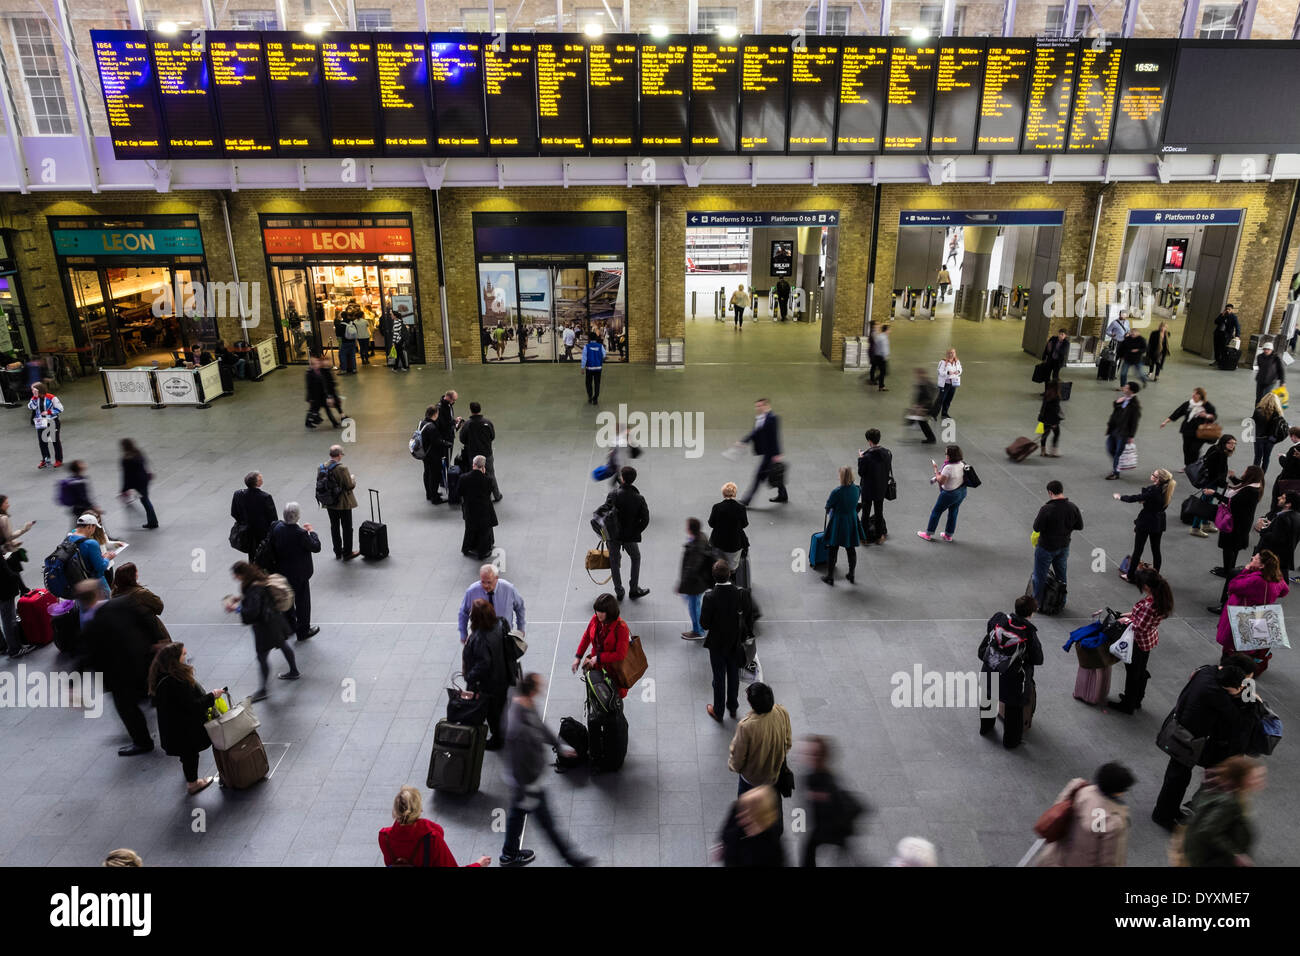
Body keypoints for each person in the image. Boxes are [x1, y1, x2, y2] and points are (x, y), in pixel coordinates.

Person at [500, 672, 592, 867]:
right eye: (539, 686)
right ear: (531, 690)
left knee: (517, 815)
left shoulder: (526, 705)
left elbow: (541, 728)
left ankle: (509, 854)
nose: (541, 689)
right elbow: (518, 760)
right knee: (547, 824)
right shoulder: (517, 726)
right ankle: (571, 858)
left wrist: (560, 746)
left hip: (524, 782)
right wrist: (528, 788)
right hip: (527, 782)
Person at [1151, 663, 1253, 830]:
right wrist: (1248, 700)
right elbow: (1236, 719)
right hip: (1186, 740)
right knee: (1177, 779)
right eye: (1239, 687)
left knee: (1176, 777)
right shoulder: (1216, 695)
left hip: (1179, 730)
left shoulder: (1208, 672)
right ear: (1227, 686)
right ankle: (1163, 816)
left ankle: (1169, 811)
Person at [84, 583, 159, 755]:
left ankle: (142, 742)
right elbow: (147, 620)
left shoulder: (91, 623)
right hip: (143, 663)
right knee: (152, 695)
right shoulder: (123, 602)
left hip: (118, 676)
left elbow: (88, 655)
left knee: (127, 709)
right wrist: (155, 643)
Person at [1033, 763, 1135, 867]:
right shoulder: (1114, 822)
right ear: (1119, 792)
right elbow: (1110, 859)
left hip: (1056, 858)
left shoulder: (1080, 789)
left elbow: (1057, 808)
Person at [148, 643, 217, 795]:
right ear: (175, 660)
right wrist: (212, 696)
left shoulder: (161, 676)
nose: (186, 657)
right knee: (191, 755)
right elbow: (192, 705)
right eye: (183, 654)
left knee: (186, 754)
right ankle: (193, 783)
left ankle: (189, 775)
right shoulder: (178, 681)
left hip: (172, 727)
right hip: (184, 729)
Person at [226, 561, 300, 702]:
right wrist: (242, 599)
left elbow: (253, 610)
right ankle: (294, 671)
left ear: (241, 574)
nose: (235, 578)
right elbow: (258, 599)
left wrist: (237, 608)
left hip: (265, 627)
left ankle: (263, 690)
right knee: (283, 645)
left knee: (262, 657)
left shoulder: (253, 588)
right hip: (276, 619)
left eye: (236, 575)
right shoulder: (259, 578)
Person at [977, 595, 1043, 750]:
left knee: (988, 698)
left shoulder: (999, 619)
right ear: (1031, 613)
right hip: (1013, 679)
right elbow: (1038, 658)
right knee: (1013, 710)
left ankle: (985, 728)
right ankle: (1011, 742)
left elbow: (989, 629)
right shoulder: (1029, 633)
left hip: (990, 669)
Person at [728, 682, 793, 834]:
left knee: (746, 812)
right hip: (774, 776)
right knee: (773, 809)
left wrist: (734, 766)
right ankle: (773, 832)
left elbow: (737, 759)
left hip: (751, 780)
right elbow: (788, 742)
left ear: (752, 704)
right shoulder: (782, 712)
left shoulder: (746, 727)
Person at [1182, 756, 1267, 867]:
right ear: (1243, 778)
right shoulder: (1229, 802)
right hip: (1212, 859)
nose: (1261, 781)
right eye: (1256, 777)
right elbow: (1207, 831)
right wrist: (1235, 854)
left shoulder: (1234, 793)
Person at [700, 559, 759, 720]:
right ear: (730, 574)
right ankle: (732, 707)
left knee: (718, 678)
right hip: (736, 643)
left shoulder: (709, 597)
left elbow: (704, 624)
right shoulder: (742, 593)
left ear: (714, 577)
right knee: (734, 675)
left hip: (717, 644)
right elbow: (749, 619)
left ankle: (718, 711)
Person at [1110, 567, 1174, 714]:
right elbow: (1139, 617)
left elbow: (1139, 627)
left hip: (1138, 642)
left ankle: (1128, 704)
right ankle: (1137, 699)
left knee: (1133, 673)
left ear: (1146, 586)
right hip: (1148, 641)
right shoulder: (1159, 597)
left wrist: (1123, 620)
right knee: (1140, 670)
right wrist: (1127, 615)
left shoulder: (1149, 605)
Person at [1215, 550, 1289, 675]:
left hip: (1242, 614)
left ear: (1262, 566)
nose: (1252, 558)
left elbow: (1233, 586)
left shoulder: (1256, 580)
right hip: (1261, 616)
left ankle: (1229, 668)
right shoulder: (1277, 577)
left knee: (1233, 642)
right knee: (1252, 644)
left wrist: (1246, 570)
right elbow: (1284, 591)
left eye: (1255, 558)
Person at [379, 786, 490, 867]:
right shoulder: (432, 838)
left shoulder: (384, 837)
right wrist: (479, 864)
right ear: (419, 809)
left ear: (396, 810)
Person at [798, 736, 863, 867]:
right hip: (826, 828)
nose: (807, 757)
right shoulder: (810, 777)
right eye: (806, 753)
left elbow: (837, 803)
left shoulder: (827, 782)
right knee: (810, 849)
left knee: (809, 850)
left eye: (812, 754)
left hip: (832, 828)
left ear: (822, 757)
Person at [1208, 465, 1265, 612]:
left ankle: (1228, 569)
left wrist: (1214, 493)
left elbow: (1232, 502)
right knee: (1233, 548)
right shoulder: (1254, 487)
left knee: (1229, 547)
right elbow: (1241, 485)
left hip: (1235, 525)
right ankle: (1228, 568)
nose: (1243, 473)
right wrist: (1233, 478)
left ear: (1250, 475)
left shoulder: (1249, 491)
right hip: (1240, 525)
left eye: (1246, 472)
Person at [463, 599, 515, 750]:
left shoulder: (479, 638)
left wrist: (469, 676)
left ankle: (497, 739)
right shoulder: (501, 623)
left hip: (489, 685)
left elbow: (483, 664)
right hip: (503, 676)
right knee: (501, 708)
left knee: (492, 714)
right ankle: (503, 731)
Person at [269, 502, 321, 641]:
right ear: (297, 517)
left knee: (287, 597)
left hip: (282, 571)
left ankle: (290, 626)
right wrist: (312, 532)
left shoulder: (277, 528)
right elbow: (316, 547)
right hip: (299, 573)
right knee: (302, 602)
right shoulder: (301, 533)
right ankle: (303, 630)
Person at [603, 466, 650, 602]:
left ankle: (619, 591)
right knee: (635, 557)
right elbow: (645, 519)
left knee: (614, 561)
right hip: (629, 536)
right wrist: (636, 531)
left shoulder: (613, 494)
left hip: (613, 536)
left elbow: (605, 513)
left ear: (622, 479)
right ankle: (634, 589)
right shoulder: (639, 498)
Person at [1032, 480, 1083, 604]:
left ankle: (1036, 603)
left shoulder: (1047, 509)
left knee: (1040, 576)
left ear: (1050, 492)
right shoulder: (1073, 507)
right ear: (1061, 490)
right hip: (1064, 546)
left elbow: (1036, 527)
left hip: (1046, 547)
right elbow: (1079, 526)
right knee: (1061, 575)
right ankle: (1061, 600)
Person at [1115, 468, 1174, 573]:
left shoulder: (1153, 491)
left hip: (1146, 521)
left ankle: (1130, 575)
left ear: (1158, 479)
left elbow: (1136, 497)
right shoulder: (1166, 490)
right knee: (1156, 549)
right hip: (1159, 522)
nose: (1151, 475)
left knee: (1138, 549)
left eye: (1154, 475)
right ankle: (1156, 574)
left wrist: (1120, 497)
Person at [571, 592, 630, 698]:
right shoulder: (595, 619)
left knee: (613, 696)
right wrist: (578, 657)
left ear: (610, 612)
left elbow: (620, 654)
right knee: (598, 692)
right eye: (597, 610)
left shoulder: (621, 628)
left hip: (612, 669)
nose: (598, 613)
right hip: (597, 665)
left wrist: (598, 658)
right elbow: (587, 636)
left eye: (602, 611)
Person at [717, 785, 785, 867]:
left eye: (749, 817)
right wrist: (724, 846)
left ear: (762, 822)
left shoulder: (771, 846)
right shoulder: (738, 809)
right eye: (742, 809)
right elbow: (727, 830)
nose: (740, 819)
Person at [457, 564, 526, 644]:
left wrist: (521, 628)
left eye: (489, 582)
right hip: (481, 639)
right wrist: (463, 633)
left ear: (496, 578)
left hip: (504, 637)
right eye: (483, 582)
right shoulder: (472, 591)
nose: (486, 585)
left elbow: (520, 607)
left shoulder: (509, 589)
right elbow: (463, 612)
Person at [739, 398, 788, 506]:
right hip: (767, 452)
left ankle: (746, 500)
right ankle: (783, 495)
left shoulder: (772, 418)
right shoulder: (761, 418)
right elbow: (755, 432)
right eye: (757, 406)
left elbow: (775, 437)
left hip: (770, 454)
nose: (758, 408)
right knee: (775, 473)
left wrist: (776, 454)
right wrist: (744, 441)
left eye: (760, 406)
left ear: (766, 405)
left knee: (759, 476)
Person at [111, 562, 170, 647]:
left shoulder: (114, 593)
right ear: (132, 576)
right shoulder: (141, 593)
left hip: (131, 634)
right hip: (151, 630)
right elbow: (159, 606)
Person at [1190, 434, 1236, 538]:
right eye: (1230, 443)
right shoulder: (1221, 454)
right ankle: (1195, 528)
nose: (1232, 445)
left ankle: (1205, 524)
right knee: (1204, 504)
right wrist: (1224, 484)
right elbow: (1216, 472)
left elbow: (1213, 466)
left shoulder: (1215, 448)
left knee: (1207, 502)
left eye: (1234, 443)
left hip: (1207, 480)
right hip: (1211, 482)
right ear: (1224, 442)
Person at [918, 445, 967, 542]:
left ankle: (928, 534)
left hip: (950, 494)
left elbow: (941, 481)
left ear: (950, 455)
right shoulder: (962, 464)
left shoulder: (948, 467)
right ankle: (948, 535)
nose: (945, 455)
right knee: (953, 512)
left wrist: (936, 470)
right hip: (961, 492)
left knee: (936, 511)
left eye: (946, 453)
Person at [822, 466, 862, 586]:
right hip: (851, 520)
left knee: (833, 548)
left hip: (839, 522)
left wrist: (830, 510)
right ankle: (851, 574)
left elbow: (828, 505)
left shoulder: (837, 492)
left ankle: (830, 576)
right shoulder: (857, 489)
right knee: (851, 549)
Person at [318, 445, 359, 560]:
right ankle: (347, 552)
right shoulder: (342, 468)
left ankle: (337, 551)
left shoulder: (322, 467)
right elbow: (349, 485)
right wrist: (353, 479)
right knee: (347, 527)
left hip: (330, 502)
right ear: (339, 455)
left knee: (334, 527)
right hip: (343, 503)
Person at [677, 518, 714, 640]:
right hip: (701, 581)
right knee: (696, 604)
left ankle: (698, 631)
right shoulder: (702, 538)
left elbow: (691, 568)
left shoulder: (696, 547)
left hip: (695, 584)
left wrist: (682, 584)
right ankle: (700, 628)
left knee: (694, 607)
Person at [1162, 387, 1218, 467]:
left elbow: (1214, 416)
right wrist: (1165, 422)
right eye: (1193, 393)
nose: (1194, 395)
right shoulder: (1188, 404)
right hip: (1187, 431)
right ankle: (1187, 465)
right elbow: (1177, 413)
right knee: (1186, 449)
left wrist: (1206, 415)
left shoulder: (1207, 406)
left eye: (1196, 393)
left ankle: (1193, 466)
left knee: (1194, 450)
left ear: (1201, 396)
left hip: (1200, 433)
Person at [459, 401, 501, 502]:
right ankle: (496, 495)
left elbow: (462, 439)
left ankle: (477, 496)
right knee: (490, 474)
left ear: (471, 410)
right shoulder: (487, 422)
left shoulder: (467, 424)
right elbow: (492, 436)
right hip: (487, 453)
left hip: (472, 454)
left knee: (473, 475)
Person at [231, 472, 276, 564]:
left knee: (252, 554)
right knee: (263, 553)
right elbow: (273, 518)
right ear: (257, 483)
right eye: (260, 478)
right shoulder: (265, 497)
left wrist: (243, 523)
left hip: (247, 531)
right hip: (262, 533)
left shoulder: (238, 494)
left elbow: (234, 512)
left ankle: (253, 569)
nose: (262, 479)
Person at [459, 455, 498, 561]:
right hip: (483, 510)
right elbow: (489, 492)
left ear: (473, 465)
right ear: (483, 467)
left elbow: (460, 492)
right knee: (484, 531)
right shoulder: (488, 479)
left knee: (469, 529)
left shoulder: (463, 478)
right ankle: (482, 552)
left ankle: (466, 549)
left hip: (470, 509)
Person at [857, 429, 892, 543]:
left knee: (865, 513)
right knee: (879, 511)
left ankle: (864, 537)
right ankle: (879, 536)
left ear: (869, 441)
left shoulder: (866, 456)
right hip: (881, 488)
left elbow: (861, 473)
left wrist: (860, 458)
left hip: (868, 489)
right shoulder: (887, 453)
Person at [1255, 490, 1300, 579]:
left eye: (1283, 498)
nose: (1278, 498)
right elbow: (1285, 533)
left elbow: (1275, 538)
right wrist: (1271, 525)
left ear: (1288, 504)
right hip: (1284, 556)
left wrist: (1263, 529)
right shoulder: (1297, 516)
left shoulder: (1282, 518)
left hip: (1270, 555)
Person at [64, 514, 113, 595]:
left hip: (77, 581)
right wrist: (107, 558)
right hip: (94, 582)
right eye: (94, 527)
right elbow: (100, 567)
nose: (94, 530)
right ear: (89, 526)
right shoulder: (91, 543)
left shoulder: (69, 538)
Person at [707, 482, 749, 572]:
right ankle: (731, 573)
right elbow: (745, 524)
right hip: (735, 544)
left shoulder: (717, 507)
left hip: (718, 542)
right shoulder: (741, 508)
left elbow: (711, 524)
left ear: (723, 493)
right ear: (735, 493)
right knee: (732, 566)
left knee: (718, 564)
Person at [1104, 382, 1141, 480]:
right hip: (1114, 429)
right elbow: (1116, 410)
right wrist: (1117, 402)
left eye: (1126, 387)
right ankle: (1118, 465)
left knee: (1118, 453)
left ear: (1131, 391)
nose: (1124, 388)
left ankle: (1115, 472)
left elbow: (1134, 422)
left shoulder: (1134, 405)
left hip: (1123, 433)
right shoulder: (1123, 400)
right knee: (1110, 448)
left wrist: (1131, 436)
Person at [118, 438, 158, 530]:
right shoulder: (138, 453)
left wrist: (124, 488)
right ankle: (152, 521)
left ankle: (153, 522)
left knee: (145, 500)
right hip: (144, 479)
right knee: (145, 499)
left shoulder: (126, 459)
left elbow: (126, 475)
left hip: (136, 482)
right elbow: (145, 464)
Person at [418, 405, 450, 504]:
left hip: (425, 453)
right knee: (434, 476)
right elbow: (437, 442)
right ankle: (435, 498)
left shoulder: (422, 423)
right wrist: (447, 443)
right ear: (435, 414)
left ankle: (429, 493)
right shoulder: (432, 427)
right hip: (433, 456)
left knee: (427, 473)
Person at [1251, 391, 1287, 472]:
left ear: (1264, 400)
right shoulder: (1278, 414)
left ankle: (1254, 476)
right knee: (1266, 458)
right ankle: (1262, 476)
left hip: (1259, 438)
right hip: (1271, 439)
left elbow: (1253, 421)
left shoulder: (1258, 411)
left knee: (1257, 458)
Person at [29, 381, 63, 468]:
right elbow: (31, 407)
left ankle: (58, 460)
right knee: (42, 442)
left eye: (34, 390)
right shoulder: (34, 398)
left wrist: (49, 412)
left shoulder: (51, 397)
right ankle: (46, 459)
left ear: (39, 390)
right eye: (32, 390)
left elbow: (60, 409)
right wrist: (35, 398)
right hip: (40, 422)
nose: (33, 392)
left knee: (55, 441)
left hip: (51, 421)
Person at [305, 352, 341, 429]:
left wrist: (328, 396)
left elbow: (325, 384)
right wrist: (310, 398)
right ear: (312, 365)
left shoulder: (321, 371)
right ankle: (308, 422)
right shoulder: (309, 374)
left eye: (318, 363)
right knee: (313, 410)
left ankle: (334, 423)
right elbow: (309, 387)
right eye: (316, 363)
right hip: (315, 397)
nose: (318, 365)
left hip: (322, 395)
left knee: (327, 410)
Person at [906, 367, 939, 443]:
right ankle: (931, 438)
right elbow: (919, 396)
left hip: (928, 407)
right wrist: (915, 405)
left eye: (918, 375)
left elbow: (929, 398)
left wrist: (921, 407)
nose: (916, 376)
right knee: (922, 422)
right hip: (923, 406)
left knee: (922, 422)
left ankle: (931, 438)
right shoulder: (921, 383)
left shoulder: (926, 384)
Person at [1037, 380, 1063, 457]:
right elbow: (1054, 410)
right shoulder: (1056, 397)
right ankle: (1054, 452)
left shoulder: (1047, 394)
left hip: (1043, 418)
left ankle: (1043, 451)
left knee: (1044, 434)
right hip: (1051, 419)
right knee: (1057, 433)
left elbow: (1044, 407)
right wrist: (1054, 422)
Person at [936, 348, 962, 419]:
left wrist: (958, 371)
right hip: (945, 384)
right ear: (947, 354)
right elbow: (939, 372)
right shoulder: (943, 362)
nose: (952, 354)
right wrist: (947, 372)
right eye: (950, 353)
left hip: (953, 383)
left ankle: (944, 413)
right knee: (941, 400)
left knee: (948, 400)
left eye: (953, 352)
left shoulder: (957, 361)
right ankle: (934, 414)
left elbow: (960, 369)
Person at [580, 330, 605, 405]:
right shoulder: (600, 346)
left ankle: (590, 396)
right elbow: (604, 355)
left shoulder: (586, 347)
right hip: (598, 368)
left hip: (589, 368)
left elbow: (584, 358)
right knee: (597, 383)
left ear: (589, 338)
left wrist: (582, 368)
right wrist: (599, 359)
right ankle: (595, 398)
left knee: (588, 383)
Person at [871, 324, 890, 392]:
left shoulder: (879, 336)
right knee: (884, 372)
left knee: (883, 372)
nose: (890, 331)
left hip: (877, 356)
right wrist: (885, 357)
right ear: (886, 330)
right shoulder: (884, 338)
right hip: (881, 357)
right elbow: (884, 349)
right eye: (889, 330)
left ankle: (881, 386)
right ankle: (878, 383)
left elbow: (876, 344)